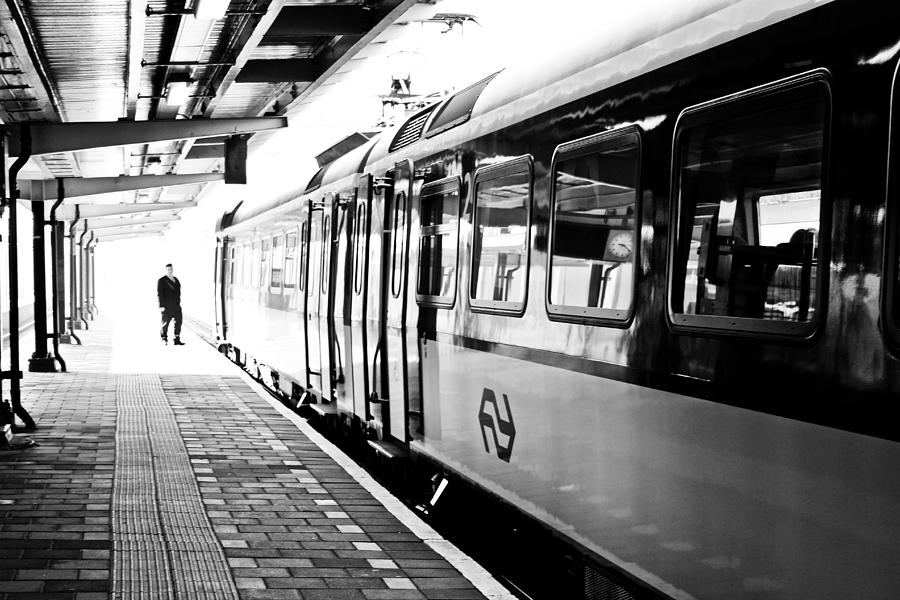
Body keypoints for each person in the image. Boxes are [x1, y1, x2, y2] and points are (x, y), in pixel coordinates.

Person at [157, 263, 184, 345]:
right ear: (166, 270)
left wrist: (178, 302)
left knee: (178, 322)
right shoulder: (161, 280)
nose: (170, 271)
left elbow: (178, 292)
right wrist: (161, 306)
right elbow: (160, 294)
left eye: (171, 269)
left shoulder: (176, 279)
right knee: (165, 323)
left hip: (176, 305)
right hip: (166, 306)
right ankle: (164, 338)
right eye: (168, 269)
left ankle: (177, 339)